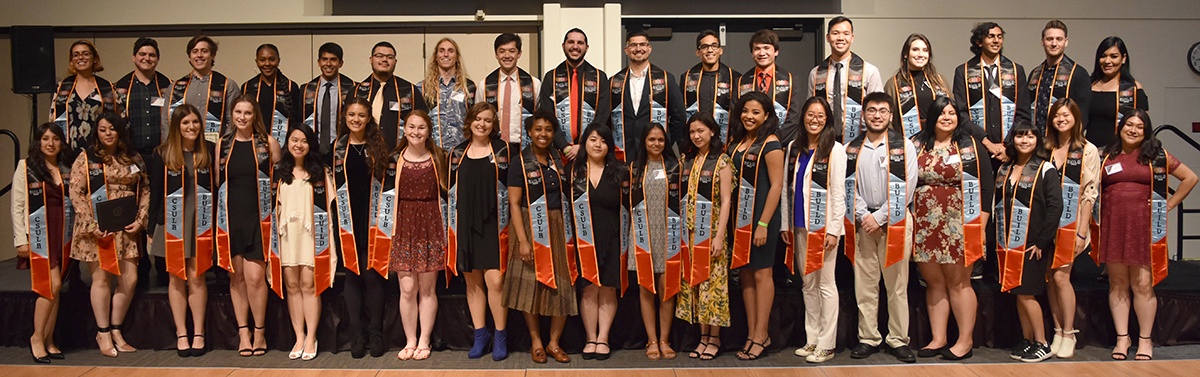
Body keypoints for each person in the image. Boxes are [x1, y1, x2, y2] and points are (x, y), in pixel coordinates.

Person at [1097, 109, 1196, 360]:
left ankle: (1145, 340)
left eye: (1139, 127)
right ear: (1120, 127)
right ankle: (1122, 339)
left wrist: (1171, 203)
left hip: (1144, 227)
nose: (1133, 130)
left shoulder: (1157, 155)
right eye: (1128, 125)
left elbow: (1190, 177)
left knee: (1142, 284)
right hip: (1113, 224)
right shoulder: (1106, 154)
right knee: (1117, 282)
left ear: (1146, 131)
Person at [911, 96, 992, 361]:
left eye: (952, 113)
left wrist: (980, 223)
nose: (947, 117)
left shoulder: (969, 145)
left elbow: (986, 186)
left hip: (960, 222)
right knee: (934, 282)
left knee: (959, 282)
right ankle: (938, 338)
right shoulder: (916, 144)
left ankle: (964, 341)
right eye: (942, 113)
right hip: (924, 223)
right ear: (931, 117)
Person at [68, 112, 149, 357]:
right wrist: (91, 224)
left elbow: (145, 189)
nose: (108, 134)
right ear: (96, 132)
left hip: (127, 228)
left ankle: (116, 329)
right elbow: (76, 192)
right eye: (103, 129)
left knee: (130, 279)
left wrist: (141, 219)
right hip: (98, 230)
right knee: (101, 280)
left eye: (112, 129)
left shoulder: (133, 158)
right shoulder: (86, 158)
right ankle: (102, 332)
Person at [147, 104, 224, 358]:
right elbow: (155, 194)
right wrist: (151, 230)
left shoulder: (209, 151)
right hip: (171, 224)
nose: (191, 127)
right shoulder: (161, 154)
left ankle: (199, 332)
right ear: (176, 127)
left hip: (200, 223)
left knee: (198, 276)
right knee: (175, 278)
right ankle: (182, 332)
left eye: (195, 122)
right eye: (185, 123)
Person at [845, 92, 917, 363]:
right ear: (863, 114)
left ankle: (898, 339)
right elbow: (847, 185)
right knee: (865, 284)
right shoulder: (851, 147)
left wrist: (882, 216)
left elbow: (908, 186)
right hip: (863, 222)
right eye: (872, 110)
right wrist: (865, 215)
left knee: (897, 285)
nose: (877, 115)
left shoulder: (904, 146)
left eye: (883, 111)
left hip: (896, 220)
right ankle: (868, 337)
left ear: (890, 115)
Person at [503, 109, 578, 364]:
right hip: (528, 225)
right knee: (529, 286)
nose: (543, 134)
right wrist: (523, 241)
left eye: (548, 129)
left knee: (563, 284)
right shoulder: (519, 163)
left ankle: (554, 342)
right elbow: (513, 203)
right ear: (529, 132)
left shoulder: (558, 158)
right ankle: (536, 341)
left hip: (558, 225)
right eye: (538, 129)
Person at [215, 96, 282, 358]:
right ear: (232, 115)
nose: (242, 117)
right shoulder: (223, 145)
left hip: (259, 217)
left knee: (256, 278)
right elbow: (218, 182)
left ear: (255, 117)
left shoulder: (268, 143)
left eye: (248, 113)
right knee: (237, 276)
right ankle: (244, 332)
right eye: (238, 112)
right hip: (231, 218)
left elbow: (279, 179)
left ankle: (260, 330)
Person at [780, 97, 846, 363]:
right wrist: (785, 224)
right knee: (808, 284)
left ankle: (827, 343)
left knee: (826, 284)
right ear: (803, 117)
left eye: (820, 115)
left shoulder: (835, 150)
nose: (814, 119)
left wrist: (833, 230)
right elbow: (787, 190)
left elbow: (839, 193)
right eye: (810, 114)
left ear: (827, 119)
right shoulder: (793, 148)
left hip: (824, 228)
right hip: (798, 226)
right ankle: (813, 339)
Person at [446, 103, 513, 361]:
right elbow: (450, 191)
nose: (482, 124)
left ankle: (500, 335)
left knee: (495, 281)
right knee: (473, 283)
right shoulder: (457, 153)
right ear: (469, 122)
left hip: (495, 225)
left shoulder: (502, 150)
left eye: (487, 120)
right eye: (478, 119)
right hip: (465, 223)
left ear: (493, 125)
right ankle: (480, 334)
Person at [996, 120, 1063, 362]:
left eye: (1030, 136)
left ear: (1038, 141)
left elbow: (1056, 207)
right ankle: (1027, 340)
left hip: (1033, 244)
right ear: (1012, 139)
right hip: (1007, 243)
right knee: (1017, 292)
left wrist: (1042, 241)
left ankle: (1042, 343)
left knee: (1027, 294)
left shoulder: (1046, 169)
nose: (1025, 140)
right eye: (1020, 136)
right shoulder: (1005, 169)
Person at [272, 124, 339, 361]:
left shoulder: (320, 173)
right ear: (287, 143)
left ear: (310, 144)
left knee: (309, 285)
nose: (298, 145)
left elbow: (332, 208)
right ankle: (298, 336)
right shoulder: (279, 173)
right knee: (292, 285)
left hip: (312, 236)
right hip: (288, 235)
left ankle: (311, 337)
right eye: (293, 140)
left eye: (303, 141)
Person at [332, 97, 391, 358]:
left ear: (369, 119)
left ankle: (376, 331)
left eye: (361, 115)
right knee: (352, 275)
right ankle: (356, 332)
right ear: (345, 117)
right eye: (351, 115)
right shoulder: (337, 148)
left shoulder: (377, 146)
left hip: (373, 219)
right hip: (346, 219)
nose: (356, 119)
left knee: (371, 274)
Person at [114, 37, 174, 291]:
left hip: (161, 156)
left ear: (157, 58)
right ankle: (138, 264)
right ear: (134, 57)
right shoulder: (120, 88)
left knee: (161, 206)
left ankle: (163, 264)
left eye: (151, 55)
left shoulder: (168, 86)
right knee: (135, 207)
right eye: (142, 54)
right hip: (132, 157)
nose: (147, 59)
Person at [727, 92, 784, 360]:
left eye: (756, 112)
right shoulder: (737, 143)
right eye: (746, 111)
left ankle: (762, 334)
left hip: (762, 221)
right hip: (738, 222)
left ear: (767, 116)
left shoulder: (771, 144)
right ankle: (751, 333)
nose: (750, 116)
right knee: (746, 276)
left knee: (762, 274)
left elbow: (776, 186)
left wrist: (763, 223)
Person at [388, 110, 448, 361]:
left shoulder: (438, 158)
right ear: (404, 129)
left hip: (430, 223)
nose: (415, 132)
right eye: (411, 127)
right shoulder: (394, 159)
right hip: (403, 224)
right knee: (407, 287)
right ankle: (410, 340)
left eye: (421, 127)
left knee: (426, 287)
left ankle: (425, 340)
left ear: (429, 131)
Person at [11, 123, 74, 363]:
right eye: (45, 139)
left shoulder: (66, 167)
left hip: (63, 231)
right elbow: (17, 206)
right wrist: (20, 240)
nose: (50, 143)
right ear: (38, 142)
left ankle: (49, 339)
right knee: (51, 284)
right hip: (39, 234)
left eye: (55, 139)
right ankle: (36, 337)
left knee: (56, 289)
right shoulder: (26, 167)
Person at [675, 113, 734, 361]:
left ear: (712, 131)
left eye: (701, 131)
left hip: (712, 233)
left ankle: (715, 338)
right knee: (696, 284)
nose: (696, 136)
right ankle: (702, 337)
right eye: (692, 132)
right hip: (690, 234)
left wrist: (720, 236)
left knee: (714, 285)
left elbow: (727, 200)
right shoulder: (687, 161)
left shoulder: (722, 162)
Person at [1043, 98, 1099, 359]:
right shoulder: (1046, 148)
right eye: (1057, 115)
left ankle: (1069, 332)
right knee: (1049, 279)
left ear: (1076, 117)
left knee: (1061, 277)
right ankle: (1056, 331)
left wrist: (1081, 231)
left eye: (1066, 115)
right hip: (1045, 224)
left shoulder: (1087, 150)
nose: (1061, 119)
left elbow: (1090, 193)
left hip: (1072, 223)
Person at [570, 123, 628, 361]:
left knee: (608, 288)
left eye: (603, 141)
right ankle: (590, 337)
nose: (598, 145)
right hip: (584, 238)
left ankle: (603, 337)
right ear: (585, 142)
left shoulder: (620, 171)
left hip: (613, 236)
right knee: (588, 289)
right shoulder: (574, 171)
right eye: (593, 139)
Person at [629, 123, 683, 360]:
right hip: (642, 234)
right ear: (644, 141)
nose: (656, 144)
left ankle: (664, 339)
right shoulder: (633, 169)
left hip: (668, 234)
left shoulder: (675, 168)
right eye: (651, 139)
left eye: (661, 140)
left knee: (667, 290)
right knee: (646, 289)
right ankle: (651, 340)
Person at [952, 22, 1030, 165]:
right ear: (979, 42)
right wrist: (987, 143)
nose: (996, 41)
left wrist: (1008, 146)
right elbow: (961, 115)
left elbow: (1023, 113)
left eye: (999, 37)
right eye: (991, 37)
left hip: (1009, 151)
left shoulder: (1016, 70)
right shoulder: (963, 71)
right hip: (977, 148)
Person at [537, 28, 611, 161]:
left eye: (580, 43)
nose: (575, 46)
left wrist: (583, 145)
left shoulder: (600, 77)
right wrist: (564, 146)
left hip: (591, 150)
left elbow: (603, 115)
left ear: (586, 47)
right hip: (557, 150)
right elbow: (547, 115)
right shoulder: (551, 77)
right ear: (563, 46)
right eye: (571, 42)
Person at [610, 30, 687, 159]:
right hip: (624, 154)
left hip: (656, 153)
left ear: (649, 48)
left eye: (643, 44)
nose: (638, 49)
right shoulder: (614, 81)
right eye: (633, 45)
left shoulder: (666, 79)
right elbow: (608, 119)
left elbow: (679, 117)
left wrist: (665, 141)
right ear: (626, 50)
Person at [808, 17, 884, 142]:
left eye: (846, 34)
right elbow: (811, 109)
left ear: (852, 38)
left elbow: (878, 110)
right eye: (835, 33)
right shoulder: (816, 73)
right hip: (825, 140)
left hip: (861, 140)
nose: (840, 38)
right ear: (828, 37)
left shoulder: (869, 71)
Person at [168, 36, 242, 143]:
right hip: (182, 147)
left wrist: (225, 146)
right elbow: (167, 121)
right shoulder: (175, 87)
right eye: (195, 51)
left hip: (216, 148)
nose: (199, 55)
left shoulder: (228, 85)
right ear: (189, 56)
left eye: (204, 51)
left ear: (213, 55)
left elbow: (233, 121)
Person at [354, 41, 428, 149]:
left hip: (399, 155)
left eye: (389, 57)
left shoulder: (410, 91)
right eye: (379, 56)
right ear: (371, 59)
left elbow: (424, 124)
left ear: (395, 61)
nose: (384, 60)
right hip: (363, 154)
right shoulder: (357, 91)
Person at [50, 40, 118, 153]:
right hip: (68, 151)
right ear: (72, 60)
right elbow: (54, 119)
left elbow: (115, 121)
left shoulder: (106, 87)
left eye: (86, 54)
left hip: (99, 151)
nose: (80, 57)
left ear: (95, 58)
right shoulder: (62, 87)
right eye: (76, 55)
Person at [476, 33, 540, 149]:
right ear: (496, 54)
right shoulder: (484, 85)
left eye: (511, 51)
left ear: (519, 53)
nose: (507, 55)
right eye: (502, 51)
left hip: (524, 147)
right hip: (492, 147)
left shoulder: (534, 84)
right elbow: (478, 120)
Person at [739, 30, 802, 144]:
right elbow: (737, 114)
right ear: (752, 53)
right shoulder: (741, 81)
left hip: (779, 144)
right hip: (749, 144)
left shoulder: (791, 79)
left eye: (766, 48)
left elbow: (794, 117)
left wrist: (774, 141)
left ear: (776, 51)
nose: (762, 53)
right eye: (757, 49)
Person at [1028, 20, 1091, 134]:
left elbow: (1082, 116)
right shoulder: (1034, 73)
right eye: (1049, 39)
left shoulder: (1078, 73)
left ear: (1066, 42)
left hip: (1063, 142)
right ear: (1042, 42)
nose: (1054, 43)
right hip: (1036, 143)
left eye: (1059, 39)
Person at [884, 34, 950, 138]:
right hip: (908, 140)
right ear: (906, 54)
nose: (921, 54)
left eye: (925, 50)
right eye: (915, 50)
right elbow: (887, 119)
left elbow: (952, 111)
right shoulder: (894, 83)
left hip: (939, 138)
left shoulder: (940, 81)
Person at [300, 42, 358, 160]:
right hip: (313, 152)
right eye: (324, 59)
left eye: (333, 60)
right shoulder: (306, 90)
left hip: (343, 150)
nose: (328, 64)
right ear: (318, 62)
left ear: (340, 63)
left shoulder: (353, 88)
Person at [681, 30, 741, 144]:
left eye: (714, 46)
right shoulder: (687, 78)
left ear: (720, 50)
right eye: (705, 46)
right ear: (698, 52)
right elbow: (682, 114)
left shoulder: (735, 77)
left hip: (727, 142)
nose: (710, 50)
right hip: (697, 144)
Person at [1088, 37, 1148, 149]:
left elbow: (1144, 126)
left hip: (1119, 154)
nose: (1107, 61)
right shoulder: (1088, 85)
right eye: (1103, 56)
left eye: (1114, 56)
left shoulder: (1133, 88)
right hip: (1091, 155)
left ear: (1123, 58)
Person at [420, 38, 477, 150]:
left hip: (462, 151)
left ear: (457, 57)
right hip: (432, 151)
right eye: (441, 51)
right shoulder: (423, 87)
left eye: (450, 51)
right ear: (436, 57)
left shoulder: (469, 87)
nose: (446, 54)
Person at [242, 44, 300, 146]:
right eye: (262, 60)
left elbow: (297, 121)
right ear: (257, 61)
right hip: (254, 145)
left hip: (285, 147)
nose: (267, 63)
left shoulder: (291, 87)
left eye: (272, 59)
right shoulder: (248, 87)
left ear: (278, 60)